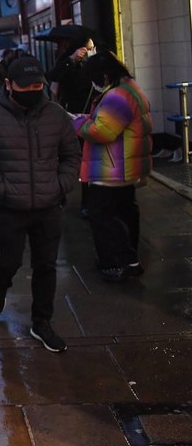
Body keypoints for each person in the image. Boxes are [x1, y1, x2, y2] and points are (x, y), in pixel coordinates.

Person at [0, 56, 81, 353]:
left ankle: (42, 322)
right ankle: (1, 283)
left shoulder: (55, 115)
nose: (33, 90)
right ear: (8, 84)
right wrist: (2, 188)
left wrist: (60, 184)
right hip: (10, 207)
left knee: (46, 265)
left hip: (49, 205)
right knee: (10, 259)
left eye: (38, 85)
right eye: (25, 86)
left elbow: (72, 155)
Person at [72, 52, 153, 283]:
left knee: (103, 215)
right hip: (125, 166)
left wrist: (77, 122)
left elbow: (102, 132)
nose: (94, 84)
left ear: (105, 76)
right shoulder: (130, 89)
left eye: (94, 79)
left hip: (112, 168)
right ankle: (129, 258)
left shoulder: (117, 96)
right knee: (126, 211)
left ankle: (122, 261)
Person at [47, 36, 100, 217]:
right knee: (67, 158)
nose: (90, 51)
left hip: (87, 117)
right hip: (69, 116)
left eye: (93, 48)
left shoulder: (92, 65)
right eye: (88, 48)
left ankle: (87, 202)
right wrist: (71, 60)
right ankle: (59, 194)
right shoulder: (66, 62)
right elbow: (53, 78)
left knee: (86, 160)